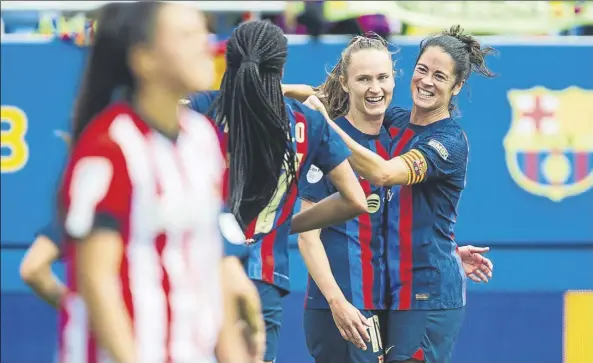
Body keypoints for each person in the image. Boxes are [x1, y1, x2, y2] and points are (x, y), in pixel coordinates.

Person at [57, 2, 250, 362]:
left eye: (204, 31)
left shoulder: (203, 139)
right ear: (144, 60)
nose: (205, 44)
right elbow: (97, 281)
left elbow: (209, 262)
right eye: (187, 35)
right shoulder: (110, 147)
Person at [303, 25, 496, 363]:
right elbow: (333, 97)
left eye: (440, 75)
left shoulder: (447, 141)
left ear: (456, 87)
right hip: (396, 296)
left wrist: (325, 130)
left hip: (429, 297)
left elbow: (382, 173)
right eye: (422, 69)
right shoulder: (394, 122)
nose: (427, 80)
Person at [188, 20, 369, 363]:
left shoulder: (199, 109)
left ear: (227, 61)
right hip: (263, 279)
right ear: (281, 66)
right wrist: (285, 221)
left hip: (196, 270)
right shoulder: (307, 122)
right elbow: (355, 199)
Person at [297, 34, 394, 363]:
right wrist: (338, 302)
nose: (375, 88)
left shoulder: (396, 142)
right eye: (364, 79)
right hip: (341, 309)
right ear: (345, 82)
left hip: (383, 305)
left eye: (382, 77)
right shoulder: (324, 139)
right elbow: (308, 238)